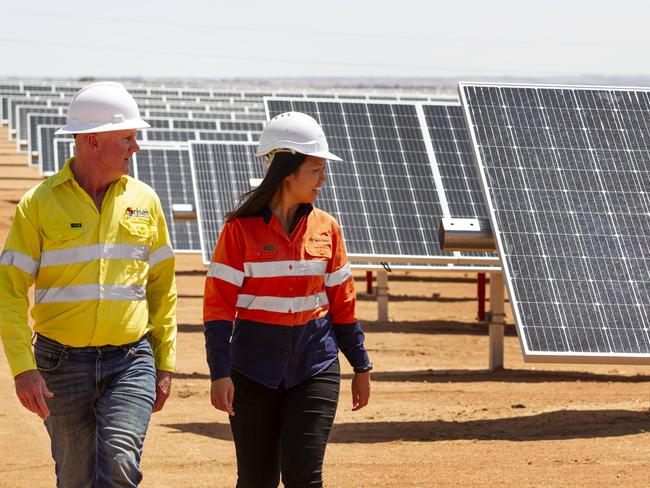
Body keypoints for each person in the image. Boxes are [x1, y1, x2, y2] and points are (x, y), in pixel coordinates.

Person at [0, 81, 177, 487]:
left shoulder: (146, 201)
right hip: (59, 364)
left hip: (130, 360)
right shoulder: (38, 204)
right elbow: (9, 291)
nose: (136, 147)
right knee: (75, 477)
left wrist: (164, 363)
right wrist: (23, 369)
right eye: (128, 138)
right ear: (92, 141)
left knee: (119, 461)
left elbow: (162, 288)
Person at [204, 111, 372, 488]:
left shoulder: (328, 229)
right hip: (251, 373)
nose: (323, 180)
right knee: (256, 480)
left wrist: (361, 366)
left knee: (303, 477)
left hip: (315, 367)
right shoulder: (238, 230)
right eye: (315, 170)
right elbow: (218, 309)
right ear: (287, 170)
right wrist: (219, 372)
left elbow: (343, 305)